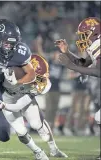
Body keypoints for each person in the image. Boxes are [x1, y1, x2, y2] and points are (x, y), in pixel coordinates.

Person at [55, 17, 100, 160]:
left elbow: (98, 71)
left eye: (84, 33)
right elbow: (84, 64)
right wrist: (67, 52)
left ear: (94, 32)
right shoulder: (94, 45)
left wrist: (71, 66)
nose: (82, 37)